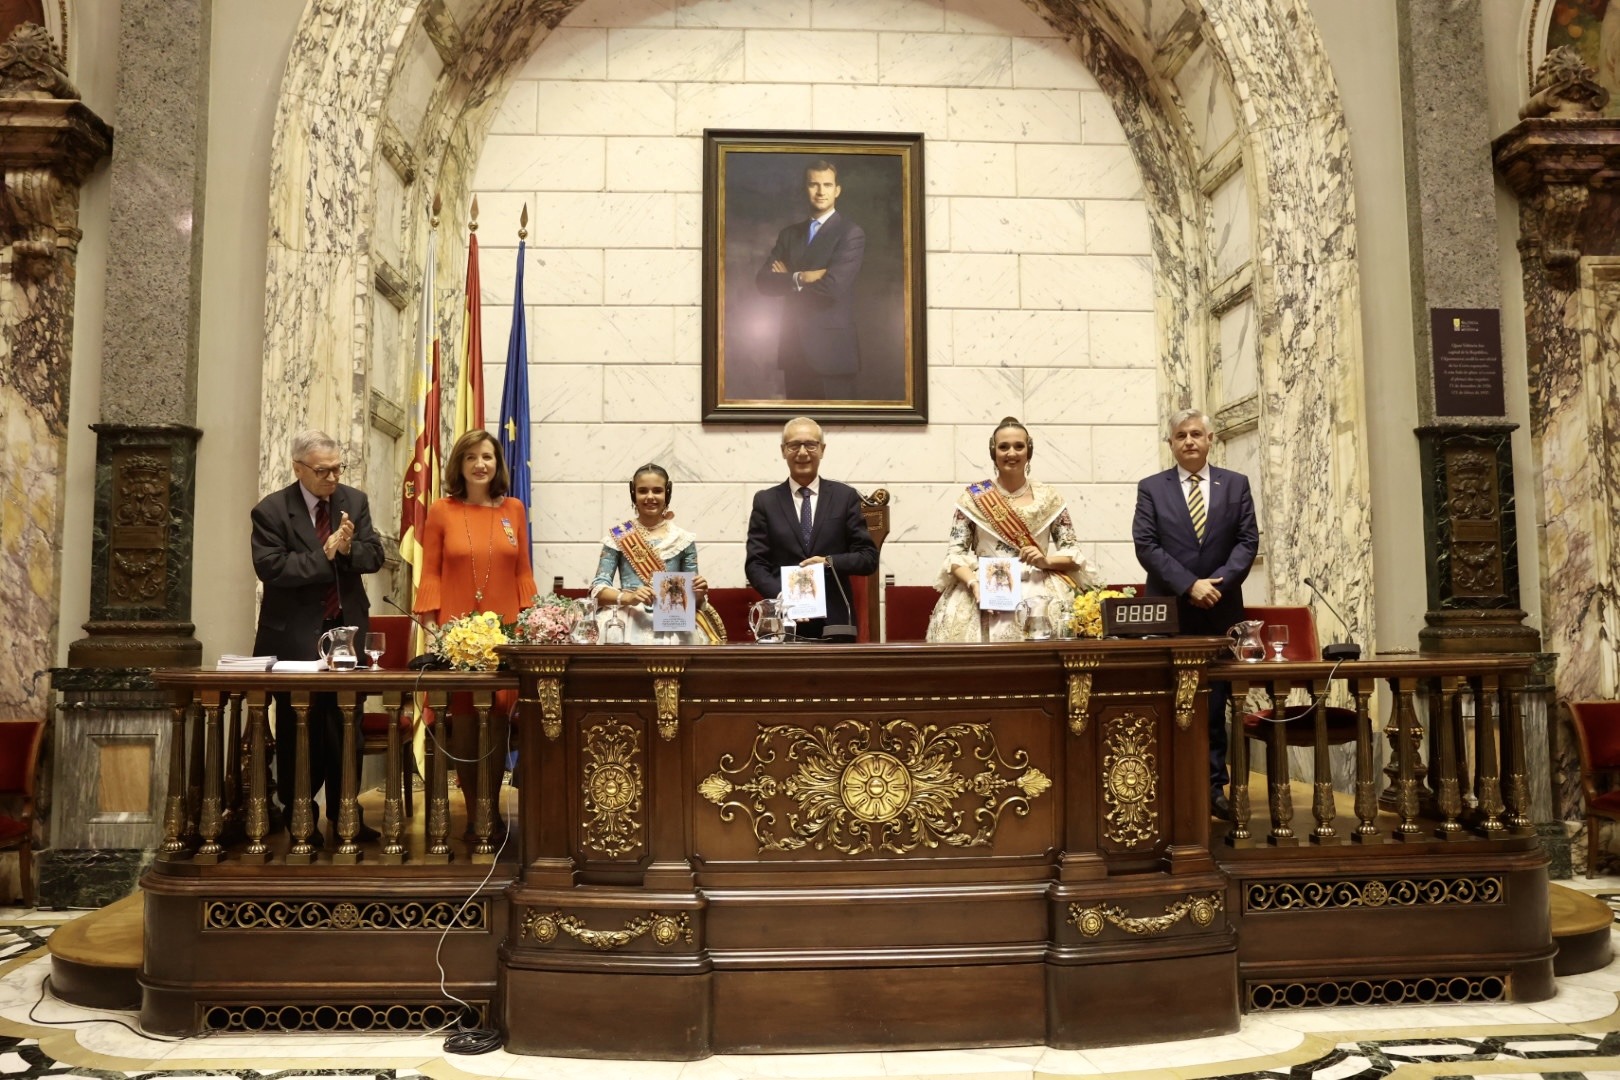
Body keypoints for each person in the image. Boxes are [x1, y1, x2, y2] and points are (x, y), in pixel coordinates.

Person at [251, 429, 385, 845]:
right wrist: (322, 554)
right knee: (298, 729)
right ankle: (300, 819)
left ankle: (347, 814)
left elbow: (374, 555)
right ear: (299, 468)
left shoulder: (353, 502)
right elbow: (271, 568)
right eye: (323, 471)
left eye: (337, 468)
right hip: (294, 638)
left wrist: (346, 550)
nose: (332, 478)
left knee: (348, 727)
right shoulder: (271, 511)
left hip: (346, 634)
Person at [1132, 408, 1259, 819]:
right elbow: (1147, 546)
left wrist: (1216, 584)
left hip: (1220, 611)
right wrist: (1190, 584)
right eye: (1181, 435)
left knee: (1214, 703)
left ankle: (1212, 791)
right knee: (1170, 702)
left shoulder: (1235, 484)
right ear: (1171, 444)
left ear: (1210, 440)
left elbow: (1247, 540)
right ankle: (1167, 788)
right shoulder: (1152, 488)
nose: (1189, 441)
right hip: (1171, 612)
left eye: (1197, 434)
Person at [413, 429, 538, 836]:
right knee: (465, 722)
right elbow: (430, 571)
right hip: (455, 634)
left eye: (487, 456)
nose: (480, 464)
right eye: (471, 458)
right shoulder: (441, 511)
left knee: (499, 719)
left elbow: (522, 572)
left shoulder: (514, 509)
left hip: (504, 632)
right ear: (460, 465)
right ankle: (476, 812)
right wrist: (432, 629)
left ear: (497, 463)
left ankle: (492, 803)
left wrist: (531, 626)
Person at [926, 417, 1101, 643]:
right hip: (985, 589)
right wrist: (975, 586)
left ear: (1029, 451)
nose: (1012, 453)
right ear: (993, 452)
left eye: (1019, 446)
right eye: (1003, 447)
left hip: (1039, 591)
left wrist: (1045, 561)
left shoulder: (1050, 498)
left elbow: (1073, 554)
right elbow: (955, 555)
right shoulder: (973, 499)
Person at [745, 416, 878, 640]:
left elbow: (868, 558)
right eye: (794, 445)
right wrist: (784, 597)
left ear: (822, 449)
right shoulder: (766, 501)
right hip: (784, 621)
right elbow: (755, 565)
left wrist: (829, 562)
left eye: (810, 445)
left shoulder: (844, 497)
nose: (803, 452)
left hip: (835, 624)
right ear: (783, 450)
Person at [755, 160, 866, 400]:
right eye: (813, 184)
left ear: (837, 190)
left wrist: (786, 280)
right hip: (793, 351)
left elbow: (832, 288)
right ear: (804, 189)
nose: (820, 191)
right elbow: (763, 282)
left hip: (833, 354)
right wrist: (802, 276)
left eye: (827, 184)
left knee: (837, 432)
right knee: (797, 431)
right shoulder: (789, 234)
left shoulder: (850, 233)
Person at [590, 463, 721, 645]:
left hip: (673, 620)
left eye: (657, 491)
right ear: (633, 493)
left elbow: (691, 599)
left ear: (667, 493)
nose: (650, 497)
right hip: (627, 618)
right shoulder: (619, 536)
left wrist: (698, 591)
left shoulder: (683, 539)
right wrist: (628, 597)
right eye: (643, 491)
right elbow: (598, 589)